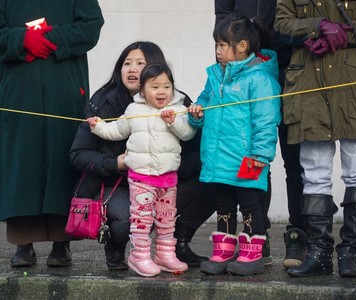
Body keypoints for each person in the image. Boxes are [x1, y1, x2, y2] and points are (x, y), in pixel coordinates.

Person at [70, 41, 215, 272]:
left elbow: (197, 145)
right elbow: (79, 153)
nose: (132, 69)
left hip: (166, 178)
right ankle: (119, 247)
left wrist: (170, 166)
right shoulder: (104, 101)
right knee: (134, 217)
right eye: (127, 63)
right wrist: (115, 163)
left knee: (213, 183)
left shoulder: (176, 102)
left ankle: (174, 246)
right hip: (117, 183)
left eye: (140, 63)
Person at [274, 0, 356, 277]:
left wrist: (345, 32)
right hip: (309, 82)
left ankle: (351, 253)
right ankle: (319, 253)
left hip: (354, 83)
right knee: (314, 173)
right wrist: (315, 28)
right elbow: (281, 23)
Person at [0, 0, 104, 267]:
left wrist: (50, 39)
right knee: (23, 161)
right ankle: (23, 243)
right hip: (17, 90)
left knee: (63, 158)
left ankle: (62, 241)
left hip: (65, 86)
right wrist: (22, 39)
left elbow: (92, 26)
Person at [214, 0, 306, 269]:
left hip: (293, 69)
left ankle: (298, 234)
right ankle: (256, 234)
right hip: (245, 68)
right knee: (254, 159)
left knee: (295, 161)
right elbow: (223, 18)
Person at [188, 13, 281, 276]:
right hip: (219, 157)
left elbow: (266, 119)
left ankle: (253, 253)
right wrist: (198, 111)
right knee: (224, 204)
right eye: (216, 45)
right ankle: (224, 251)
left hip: (248, 158)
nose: (217, 51)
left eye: (221, 45)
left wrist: (261, 154)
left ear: (241, 46)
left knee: (250, 203)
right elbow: (205, 99)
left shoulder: (260, 79)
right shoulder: (215, 75)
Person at [87, 63, 196, 277]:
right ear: (143, 90)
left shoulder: (179, 108)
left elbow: (188, 133)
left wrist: (174, 122)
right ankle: (140, 256)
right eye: (155, 87)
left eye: (167, 86)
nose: (162, 91)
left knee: (166, 219)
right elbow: (117, 130)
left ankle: (165, 254)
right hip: (141, 178)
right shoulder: (134, 110)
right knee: (142, 218)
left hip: (167, 178)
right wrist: (98, 126)